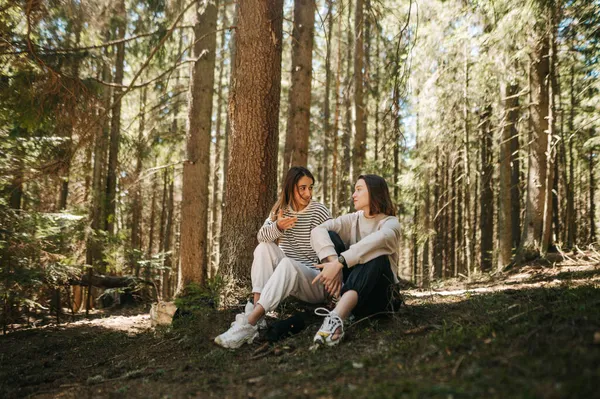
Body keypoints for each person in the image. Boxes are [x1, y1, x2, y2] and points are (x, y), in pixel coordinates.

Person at [214, 166, 332, 348]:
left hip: (314, 281)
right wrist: (278, 226)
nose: (308, 193)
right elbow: (262, 236)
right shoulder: (280, 209)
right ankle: (258, 315)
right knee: (264, 248)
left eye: (311, 187)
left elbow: (332, 246)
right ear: (291, 187)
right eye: (302, 188)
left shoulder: (319, 212)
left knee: (288, 264)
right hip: (287, 276)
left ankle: (249, 323)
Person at [310, 174, 401, 346]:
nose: (353, 194)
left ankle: (336, 318)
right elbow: (318, 230)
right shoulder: (354, 219)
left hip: (380, 299)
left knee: (377, 255)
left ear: (374, 192)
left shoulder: (391, 223)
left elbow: (381, 239)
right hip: (352, 294)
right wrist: (332, 262)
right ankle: (341, 306)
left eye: (359, 189)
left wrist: (340, 263)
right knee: (330, 235)